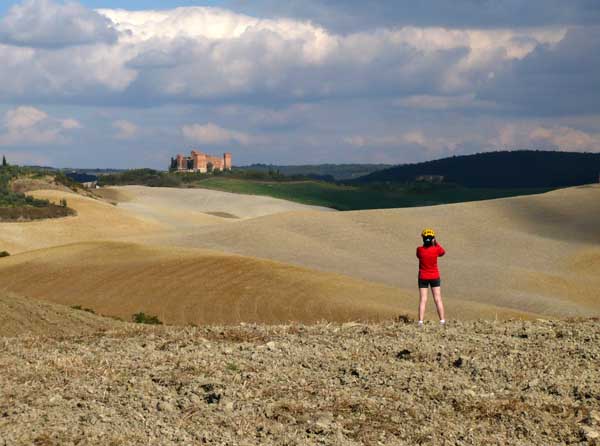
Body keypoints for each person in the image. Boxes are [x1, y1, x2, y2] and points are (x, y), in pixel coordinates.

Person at [416, 228, 446, 326]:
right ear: (432, 239)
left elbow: (418, 256)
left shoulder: (419, 250)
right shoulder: (436, 249)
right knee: (438, 298)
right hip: (434, 276)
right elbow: (442, 252)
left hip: (423, 277)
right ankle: (442, 321)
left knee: (423, 299)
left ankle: (420, 321)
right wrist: (435, 243)